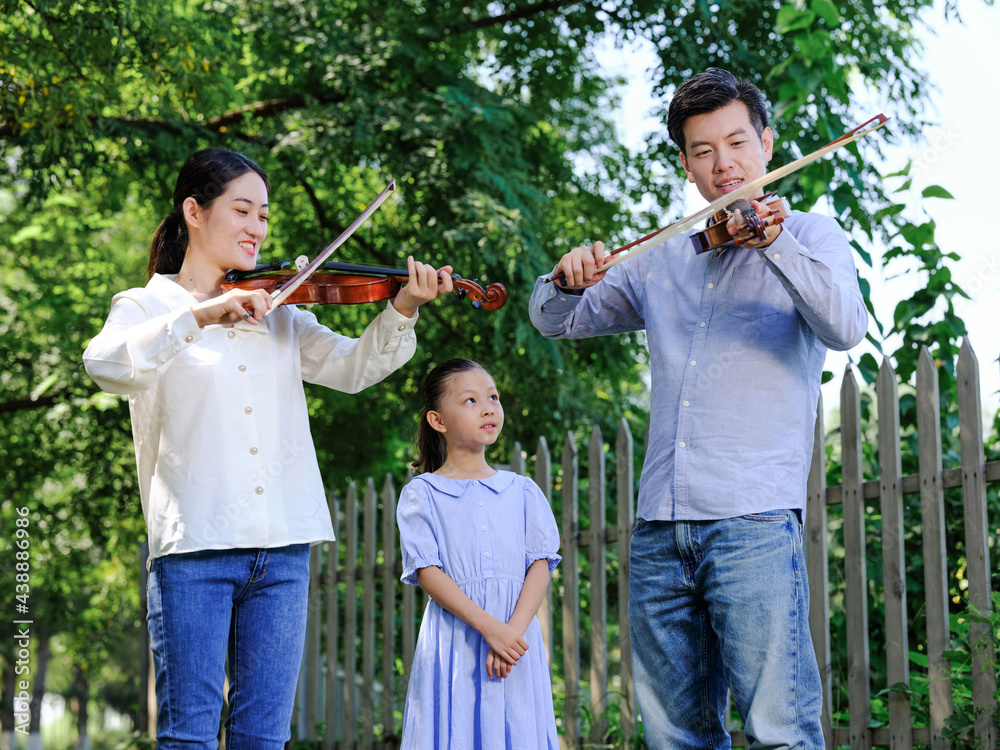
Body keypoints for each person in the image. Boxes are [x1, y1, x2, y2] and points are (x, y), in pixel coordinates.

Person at [529, 69, 868, 749]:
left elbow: (844, 326)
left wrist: (776, 245)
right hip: (659, 525)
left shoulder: (810, 236)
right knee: (674, 737)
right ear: (686, 162)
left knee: (781, 732)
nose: (724, 164)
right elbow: (551, 320)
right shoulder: (663, 258)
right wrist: (564, 278)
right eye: (703, 150)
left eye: (737, 143)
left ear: (767, 144)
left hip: (752, 517)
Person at [83, 148, 454, 749]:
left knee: (264, 738)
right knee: (189, 738)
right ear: (194, 213)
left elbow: (352, 367)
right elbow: (104, 363)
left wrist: (403, 307)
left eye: (265, 215)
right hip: (196, 548)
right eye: (243, 210)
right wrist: (200, 317)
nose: (258, 227)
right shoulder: (147, 306)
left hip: (282, 548)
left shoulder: (277, 310)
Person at [396, 358, 561, 749]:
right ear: (438, 421)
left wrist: (511, 634)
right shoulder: (422, 494)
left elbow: (540, 564)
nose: (488, 407)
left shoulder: (522, 490)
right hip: (458, 636)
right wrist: (491, 629)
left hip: (515, 643)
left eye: (493, 397)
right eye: (470, 400)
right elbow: (427, 571)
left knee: (517, 730)